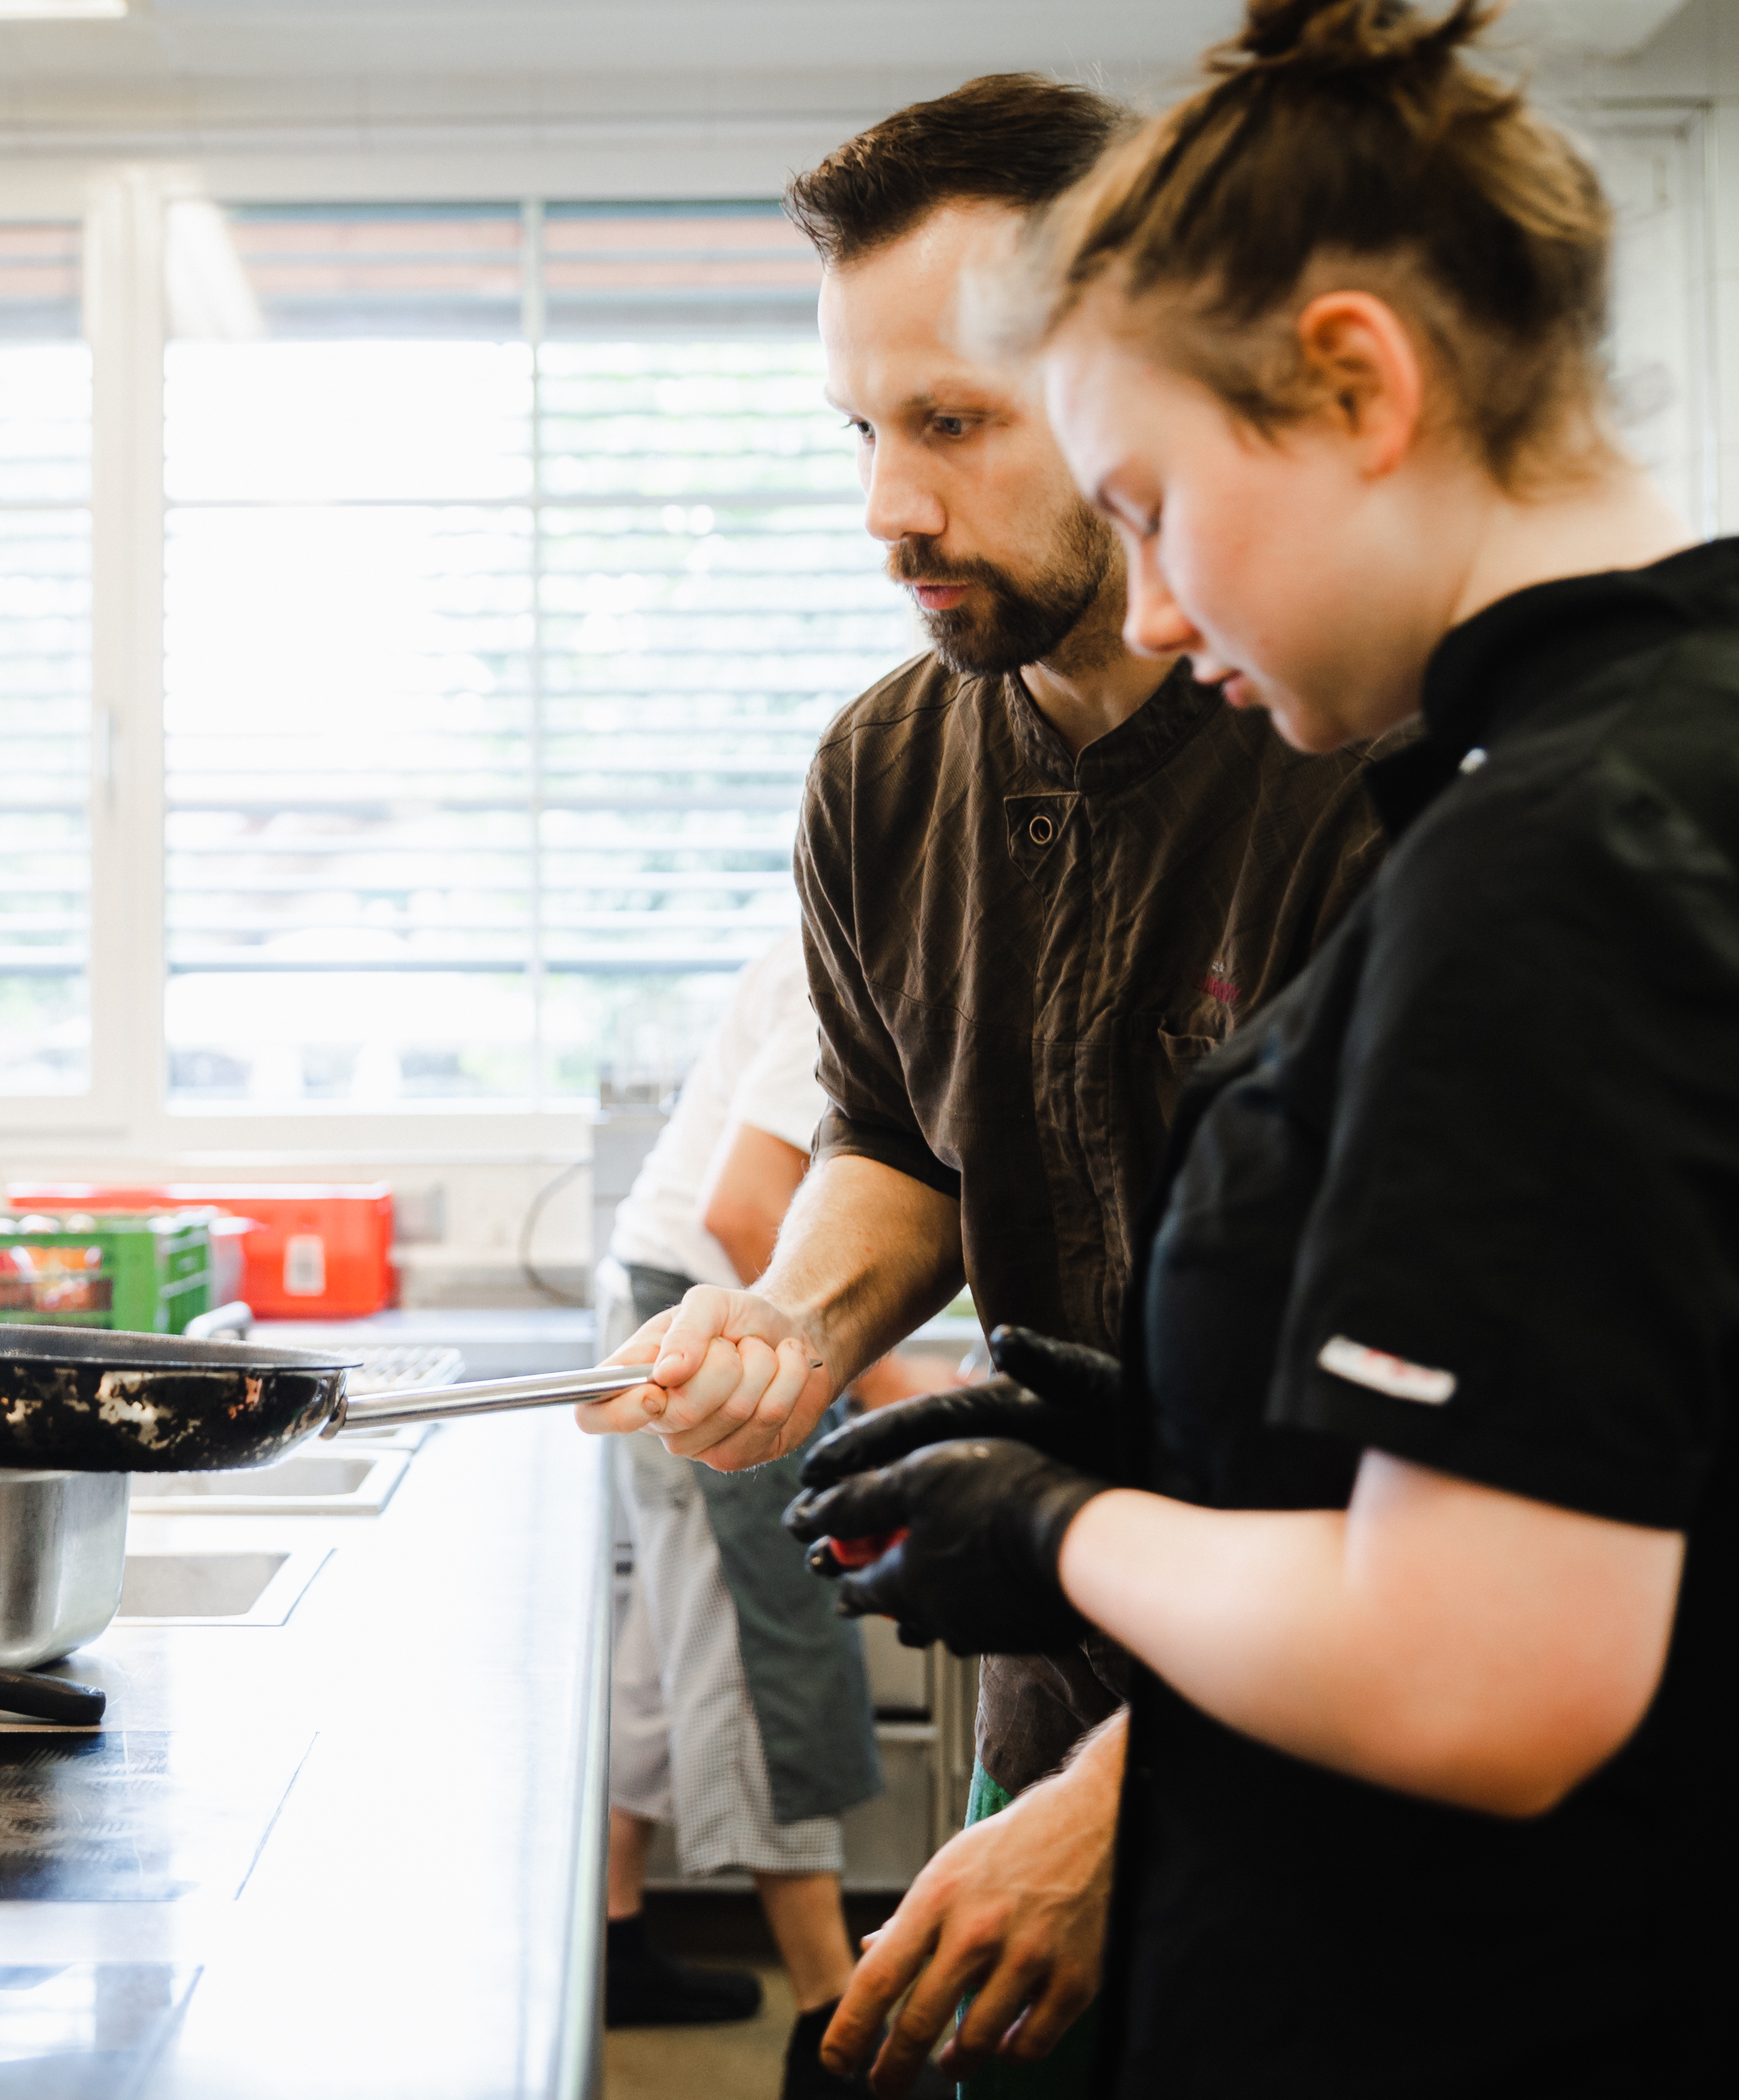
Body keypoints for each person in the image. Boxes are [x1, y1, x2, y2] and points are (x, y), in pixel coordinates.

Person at [779, 2, 1739, 2092]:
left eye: (1152, 505)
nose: (1153, 613)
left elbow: (1478, 1675)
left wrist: (1052, 1530)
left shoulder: (1578, 845)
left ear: (1357, 381)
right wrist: (1151, 1434)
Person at [575, 72, 1395, 2095]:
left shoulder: (1350, 767)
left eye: (949, 422)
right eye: (862, 432)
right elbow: (899, 1134)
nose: (885, 509)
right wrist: (792, 1317)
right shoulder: (884, 768)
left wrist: (1144, 1807)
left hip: (1337, 1746)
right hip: (1056, 1699)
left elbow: (1423, 1461)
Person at [597, 929, 952, 2098]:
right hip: (710, 1323)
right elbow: (752, 1211)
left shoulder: (859, 940)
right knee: (768, 1649)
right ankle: (827, 2024)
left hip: (668, 1291)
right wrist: (908, 1393)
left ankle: (613, 1940)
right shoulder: (849, 962)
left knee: (666, 1643)